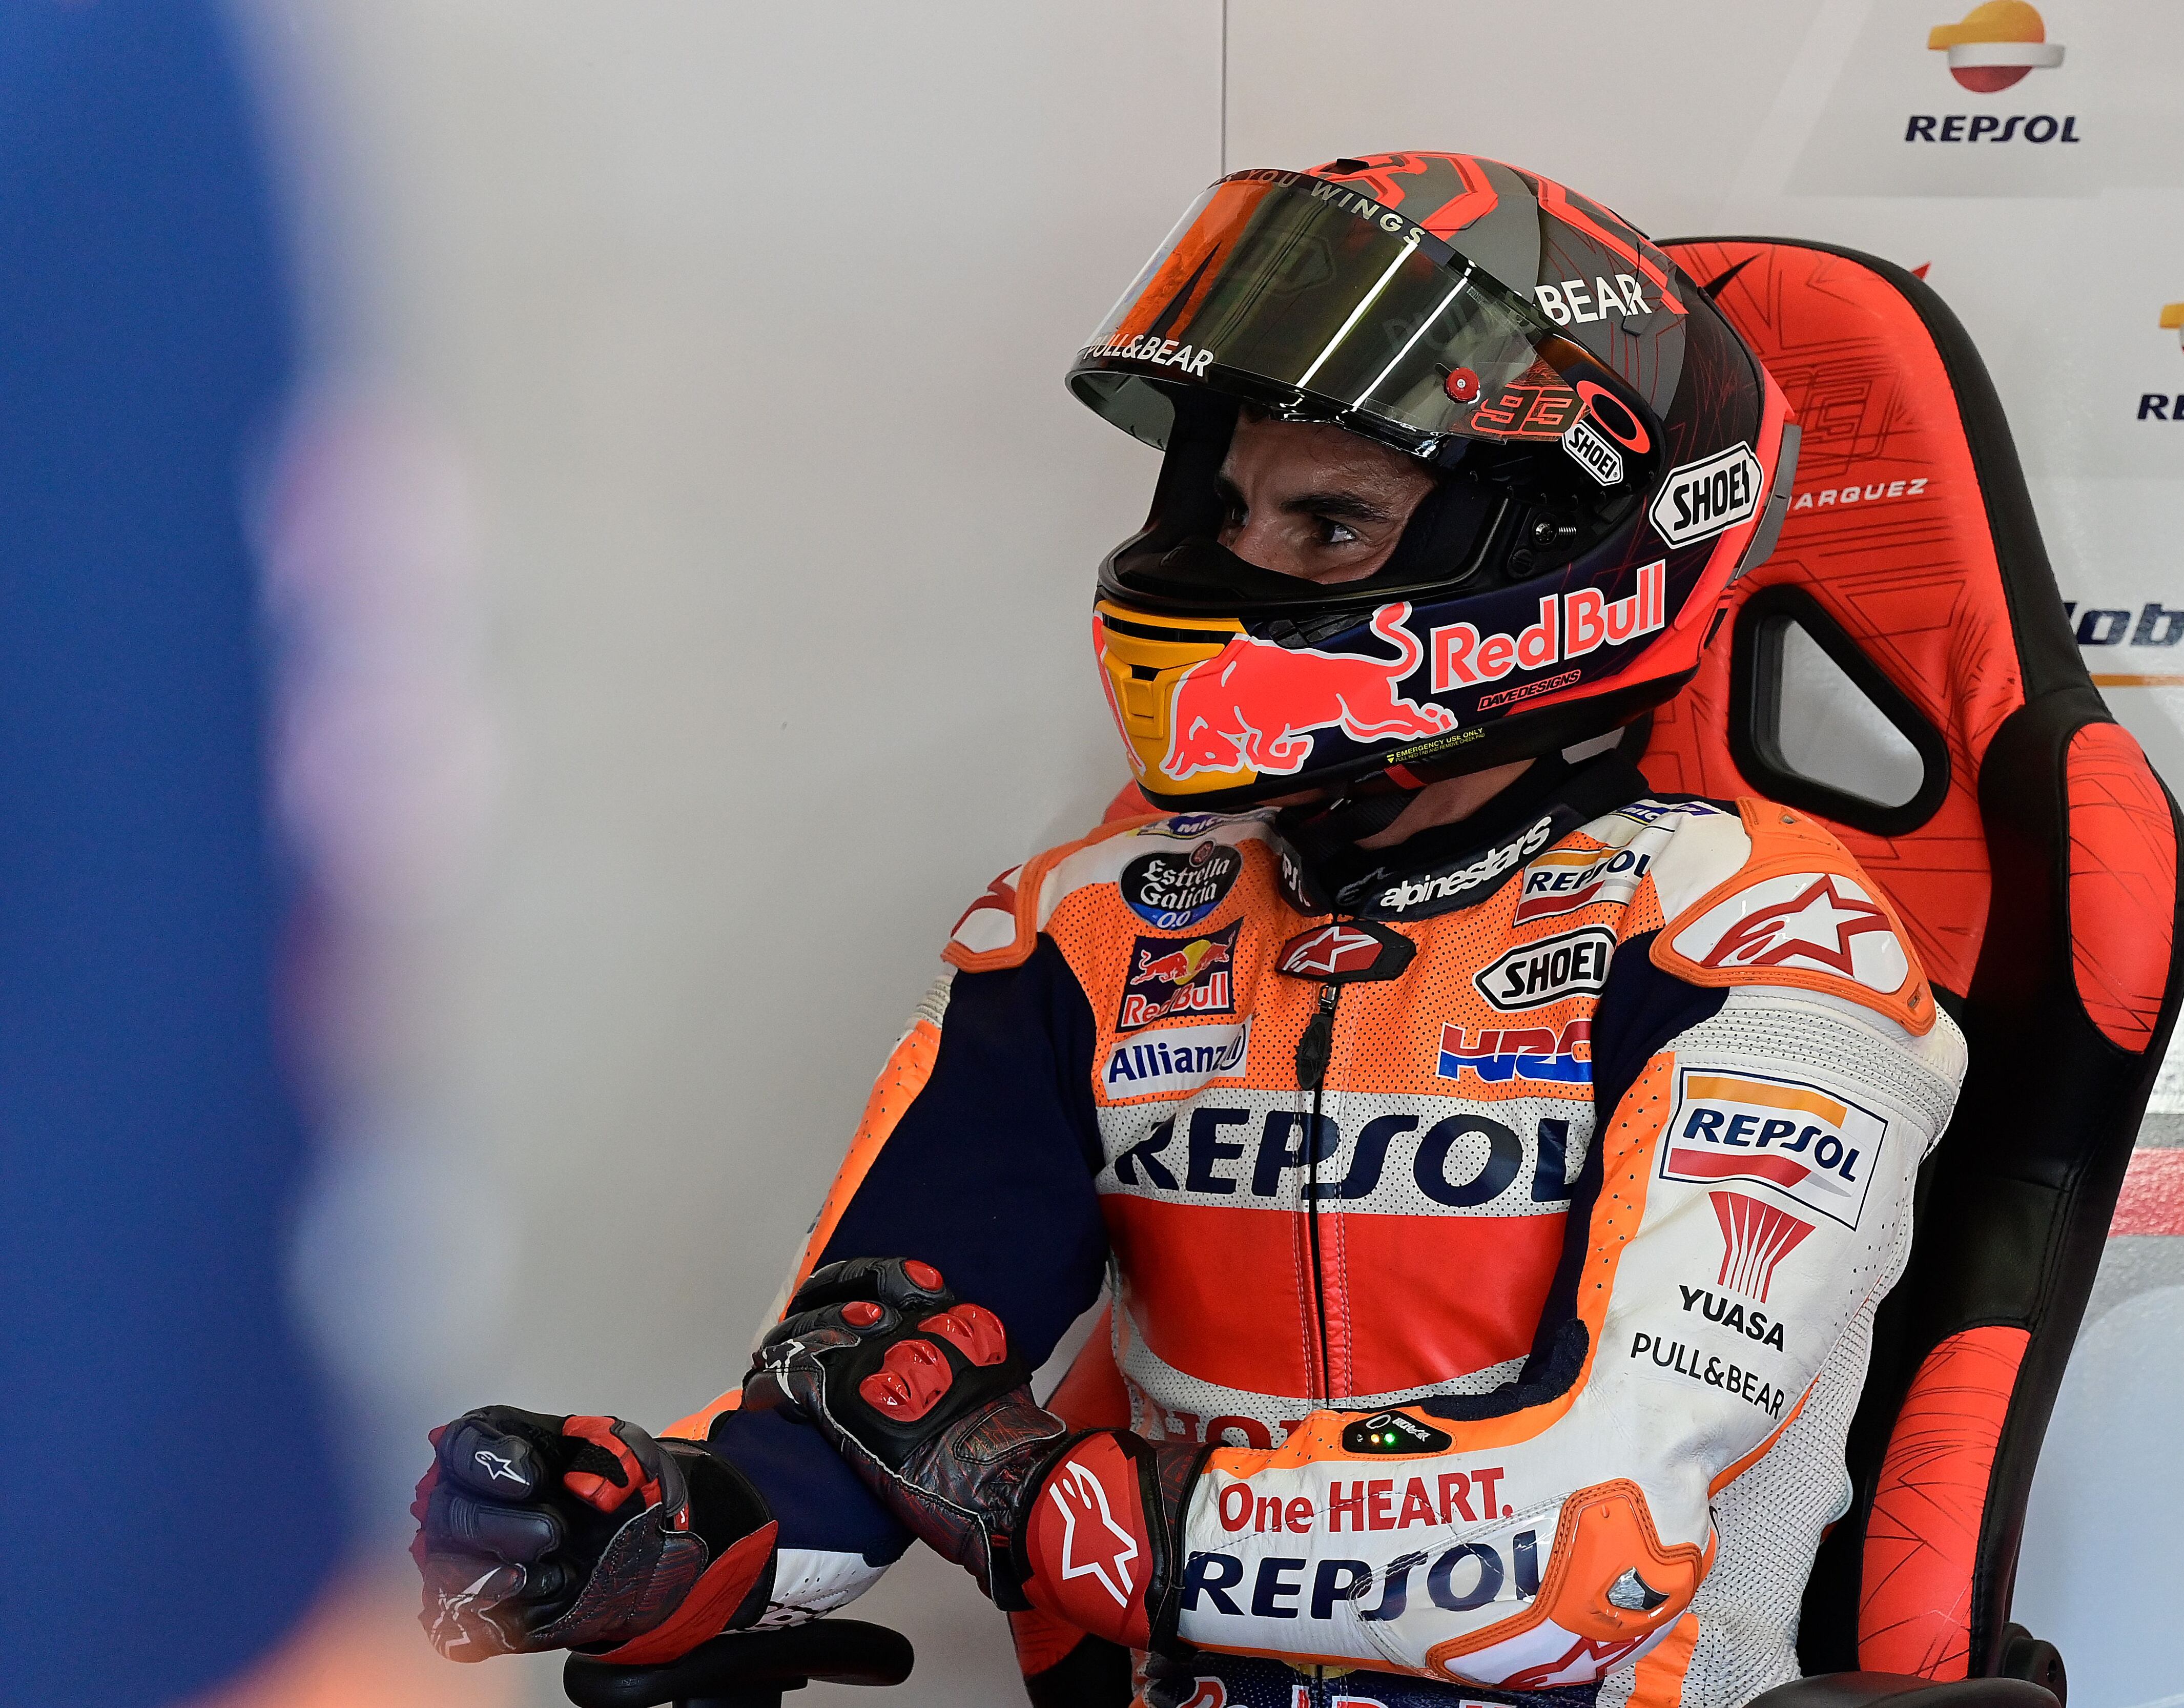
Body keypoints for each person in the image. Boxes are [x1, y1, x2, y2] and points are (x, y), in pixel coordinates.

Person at [413, 153, 1967, 1708]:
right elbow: (875, 1393)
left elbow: (1583, 1557)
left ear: (1561, 560)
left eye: (1330, 525)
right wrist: (662, 1535)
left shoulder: (1762, 947)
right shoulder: (1088, 929)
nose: (1232, 572)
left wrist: (1030, 1500)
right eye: (1229, 509)